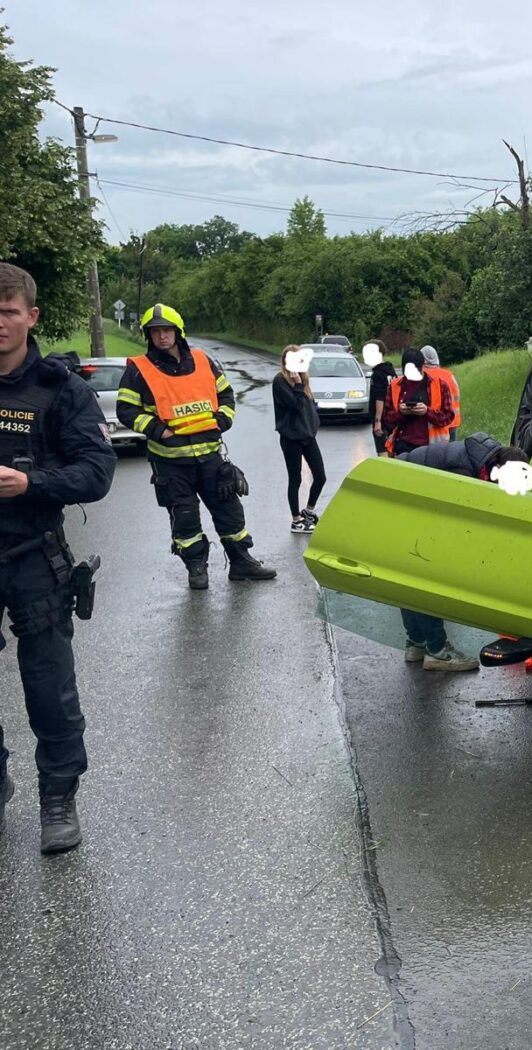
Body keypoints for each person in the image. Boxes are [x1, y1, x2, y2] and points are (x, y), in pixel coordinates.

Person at [0, 262, 116, 853]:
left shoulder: (60, 389)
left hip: (31, 553)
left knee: (47, 684)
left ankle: (57, 797)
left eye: (8, 312)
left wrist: (31, 484)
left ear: (31, 317)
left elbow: (97, 472)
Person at [116, 303, 276, 588]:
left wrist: (222, 421)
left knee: (230, 511)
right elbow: (126, 411)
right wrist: (158, 430)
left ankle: (241, 563)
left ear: (178, 332)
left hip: (211, 457)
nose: (162, 336)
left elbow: (226, 394)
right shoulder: (138, 370)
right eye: (155, 332)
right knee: (185, 519)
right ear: (148, 336)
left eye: (167, 330)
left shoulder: (204, 361)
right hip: (170, 462)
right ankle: (196, 568)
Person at [394, 435, 529, 671]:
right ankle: (438, 651)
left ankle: (417, 643)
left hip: (399, 493)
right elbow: (448, 521)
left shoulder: (482, 459)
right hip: (402, 495)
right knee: (427, 577)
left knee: (411, 578)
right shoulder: (463, 472)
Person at [273, 345, 326, 533]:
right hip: (291, 437)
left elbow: (308, 408)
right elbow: (294, 406)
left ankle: (308, 511)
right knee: (295, 479)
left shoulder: (304, 380)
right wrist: (296, 385)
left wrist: (315, 423)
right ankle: (296, 520)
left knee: (320, 477)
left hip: (308, 435)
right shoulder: (280, 381)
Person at [382, 347, 452, 457]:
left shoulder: (440, 385)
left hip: (433, 448)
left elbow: (448, 417)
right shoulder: (394, 386)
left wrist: (427, 411)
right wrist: (401, 412)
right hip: (403, 447)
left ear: (423, 365)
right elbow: (386, 420)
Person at [363, 339, 397, 458]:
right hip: (393, 417)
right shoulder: (390, 372)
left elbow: (380, 397)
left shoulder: (378, 374)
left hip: (382, 419)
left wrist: (378, 421)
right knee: (391, 449)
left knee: (382, 451)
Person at [420, 345, 461, 441]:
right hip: (453, 422)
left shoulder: (424, 376)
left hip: (437, 426)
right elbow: (457, 396)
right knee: (451, 453)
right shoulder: (448, 374)